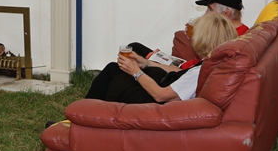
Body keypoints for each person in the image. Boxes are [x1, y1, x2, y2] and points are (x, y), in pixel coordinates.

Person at [87, 12, 238, 104]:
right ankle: (87, 109)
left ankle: (87, 112)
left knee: (115, 76)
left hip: (157, 102)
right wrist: (145, 63)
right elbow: (180, 71)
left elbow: (160, 95)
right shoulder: (213, 61)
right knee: (114, 69)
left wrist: (136, 72)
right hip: (165, 90)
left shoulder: (200, 72)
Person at [128, 0, 248, 60]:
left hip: (186, 75)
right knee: (135, 47)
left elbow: (207, 61)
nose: (206, 13)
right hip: (185, 68)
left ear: (225, 13)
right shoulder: (243, 33)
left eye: (210, 9)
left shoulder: (236, 39)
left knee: (134, 57)